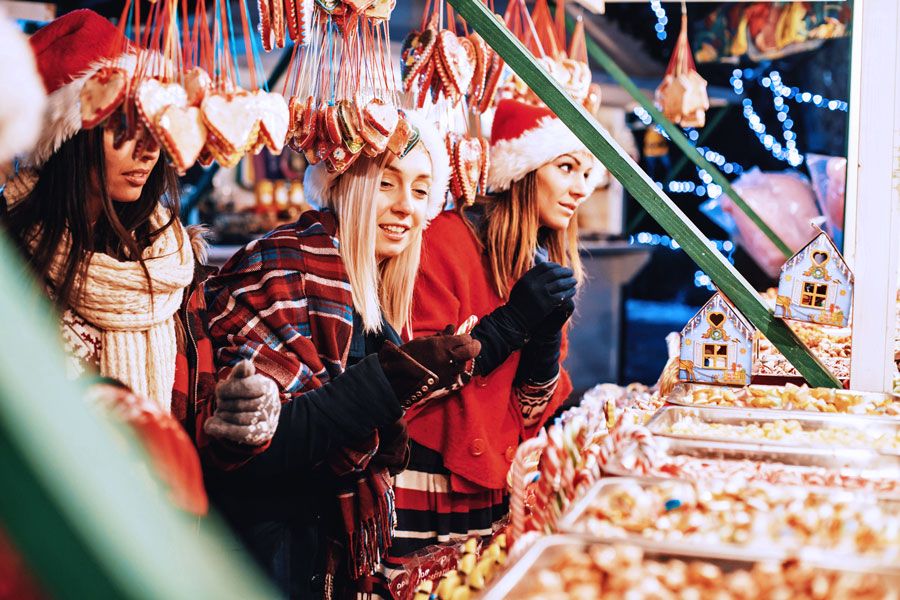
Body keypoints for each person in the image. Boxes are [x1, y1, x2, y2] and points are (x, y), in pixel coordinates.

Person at [0, 10, 277, 511]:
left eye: (152, 129)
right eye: (121, 129)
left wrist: (236, 424)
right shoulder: (13, 259)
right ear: (68, 139)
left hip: (157, 530)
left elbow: (193, 424)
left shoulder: (170, 264)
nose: (146, 152)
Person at [202, 111, 480, 598]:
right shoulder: (276, 265)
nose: (405, 208)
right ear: (345, 186)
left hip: (319, 553)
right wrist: (388, 382)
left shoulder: (371, 284)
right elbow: (256, 446)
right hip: (257, 557)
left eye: (420, 191)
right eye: (387, 184)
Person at [389, 99, 604, 558]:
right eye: (566, 167)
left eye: (586, 173)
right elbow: (410, 381)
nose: (580, 188)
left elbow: (530, 412)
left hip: (495, 486)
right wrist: (512, 323)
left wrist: (544, 340)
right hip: (426, 478)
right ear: (522, 172)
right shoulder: (442, 240)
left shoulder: (544, 261)